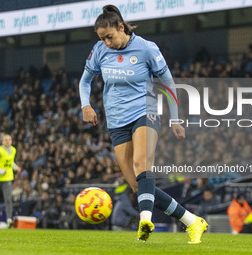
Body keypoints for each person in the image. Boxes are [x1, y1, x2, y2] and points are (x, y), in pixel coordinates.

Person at [79, 5, 208, 243]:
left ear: (121, 27)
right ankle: (192, 220)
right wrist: (85, 105)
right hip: (116, 121)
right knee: (139, 187)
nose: (106, 42)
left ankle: (145, 220)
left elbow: (167, 82)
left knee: (142, 165)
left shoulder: (147, 48)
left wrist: (176, 118)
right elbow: (85, 81)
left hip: (145, 111)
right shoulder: (99, 51)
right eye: (101, 38)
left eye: (109, 36)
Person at [0, 134, 21, 228]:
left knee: (8, 199)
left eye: (9, 139)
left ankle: (9, 219)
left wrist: (16, 168)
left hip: (7, 178)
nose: (8, 141)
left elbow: (10, 162)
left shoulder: (13, 150)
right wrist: (0, 171)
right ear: (2, 141)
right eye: (5, 140)